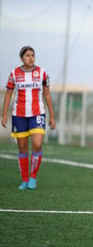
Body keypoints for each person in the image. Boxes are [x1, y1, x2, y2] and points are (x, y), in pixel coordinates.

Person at [1, 46, 56, 190]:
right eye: (27, 55)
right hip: (19, 115)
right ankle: (24, 180)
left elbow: (47, 94)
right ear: (21, 58)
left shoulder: (42, 73)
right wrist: (4, 114)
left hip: (37, 113)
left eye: (32, 55)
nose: (30, 58)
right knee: (22, 147)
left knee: (37, 144)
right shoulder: (14, 73)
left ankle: (33, 177)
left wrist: (52, 116)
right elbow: (8, 94)